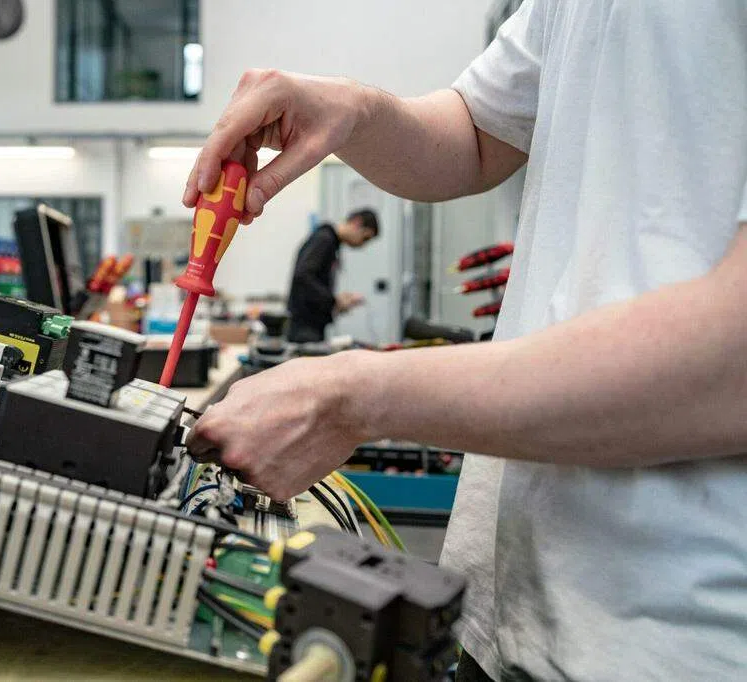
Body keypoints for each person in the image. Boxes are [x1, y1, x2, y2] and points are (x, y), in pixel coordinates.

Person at [183, 1, 747, 680]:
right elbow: (477, 135)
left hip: (679, 633)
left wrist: (356, 395)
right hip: (502, 608)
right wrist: (355, 111)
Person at [287, 209, 378, 343]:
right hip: (305, 326)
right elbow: (303, 275)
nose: (362, 244)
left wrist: (335, 300)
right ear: (356, 223)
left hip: (311, 324)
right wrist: (334, 301)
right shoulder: (324, 239)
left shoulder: (330, 242)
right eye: (365, 238)